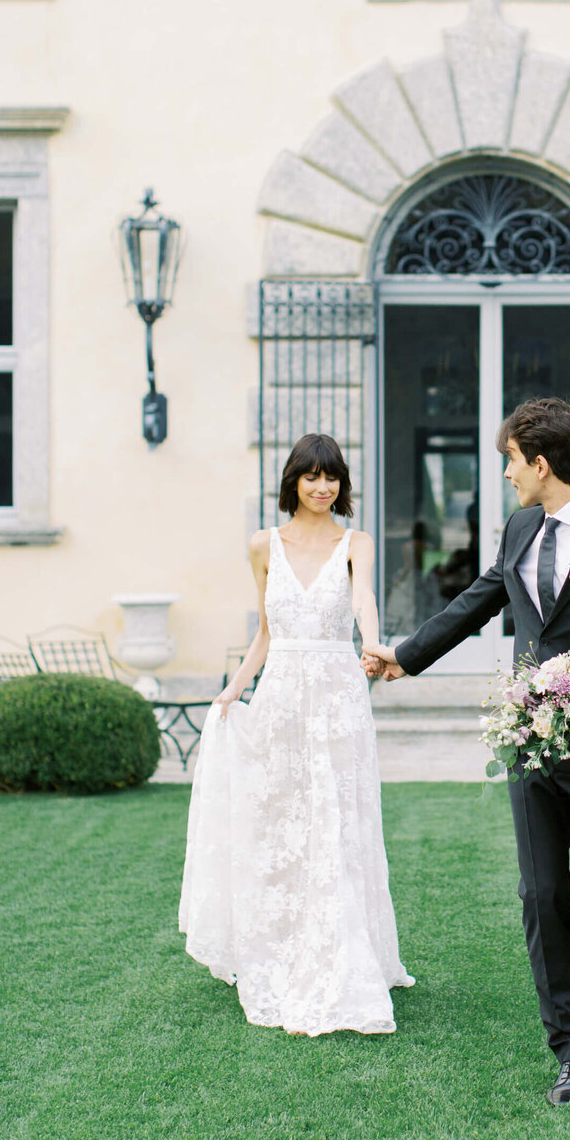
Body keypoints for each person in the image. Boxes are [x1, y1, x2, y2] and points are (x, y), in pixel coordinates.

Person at [363, 397, 570, 1105]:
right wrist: (404, 656)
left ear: (541, 463)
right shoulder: (517, 528)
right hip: (528, 746)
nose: (506, 472)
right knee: (541, 897)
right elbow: (481, 598)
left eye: (510, 460)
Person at [179, 433, 413, 1036]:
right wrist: (234, 689)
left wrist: (371, 643)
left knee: (337, 819)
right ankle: (279, 946)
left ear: (341, 484)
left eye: (331, 476)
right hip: (281, 693)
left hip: (337, 694)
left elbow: (363, 600)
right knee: (282, 820)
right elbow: (265, 630)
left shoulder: (355, 543)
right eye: (311, 476)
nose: (322, 486)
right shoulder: (263, 546)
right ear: (292, 482)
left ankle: (345, 956)